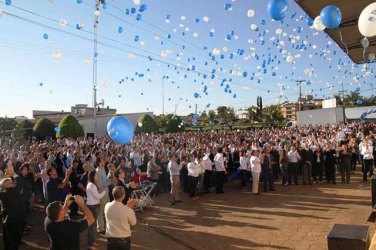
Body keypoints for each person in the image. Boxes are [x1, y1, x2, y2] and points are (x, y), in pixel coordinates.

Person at [0, 177, 26, 250]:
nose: (13, 183)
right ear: (5, 185)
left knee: (8, 239)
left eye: (12, 181)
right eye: (10, 182)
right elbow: (20, 184)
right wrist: (14, 174)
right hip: (14, 220)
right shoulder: (12, 191)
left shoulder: (4, 192)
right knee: (15, 241)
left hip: (8, 219)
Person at [86, 170, 107, 249]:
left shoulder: (91, 184)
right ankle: (90, 244)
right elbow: (98, 197)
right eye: (97, 175)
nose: (98, 176)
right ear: (93, 176)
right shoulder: (92, 185)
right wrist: (105, 191)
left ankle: (92, 242)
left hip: (93, 205)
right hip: (93, 206)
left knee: (92, 226)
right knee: (91, 226)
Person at [95, 157, 110, 234]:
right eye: (103, 161)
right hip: (101, 193)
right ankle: (100, 228)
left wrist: (108, 180)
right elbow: (100, 184)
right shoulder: (97, 171)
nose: (104, 162)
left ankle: (106, 226)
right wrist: (109, 182)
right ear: (99, 163)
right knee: (101, 211)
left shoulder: (103, 169)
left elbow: (104, 180)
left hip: (105, 192)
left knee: (107, 210)